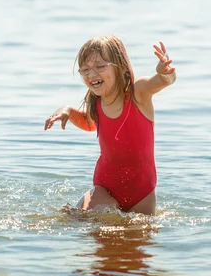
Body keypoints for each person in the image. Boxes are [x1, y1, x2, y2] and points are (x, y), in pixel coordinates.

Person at [44, 35, 176, 215]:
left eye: (99, 67)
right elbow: (89, 124)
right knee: (93, 229)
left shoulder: (138, 93)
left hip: (143, 193)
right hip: (105, 189)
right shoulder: (96, 103)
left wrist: (165, 72)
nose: (92, 74)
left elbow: (163, 81)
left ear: (121, 68)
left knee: (138, 239)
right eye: (85, 70)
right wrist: (68, 111)